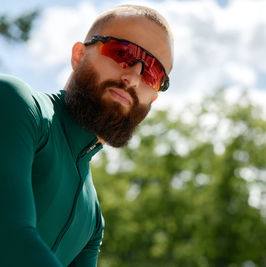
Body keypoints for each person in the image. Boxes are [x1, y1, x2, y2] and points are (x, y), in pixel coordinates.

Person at [0, 4, 173, 266]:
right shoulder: (15, 103)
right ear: (79, 55)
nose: (133, 77)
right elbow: (10, 238)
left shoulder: (92, 222)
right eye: (122, 52)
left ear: (155, 97)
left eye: (152, 72)